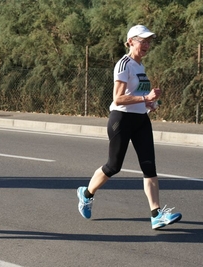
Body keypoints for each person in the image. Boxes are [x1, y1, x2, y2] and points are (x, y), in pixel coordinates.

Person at [76, 25, 182, 230]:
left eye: (149, 41)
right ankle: (86, 193)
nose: (147, 45)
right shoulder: (124, 64)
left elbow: (136, 97)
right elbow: (118, 98)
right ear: (131, 41)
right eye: (143, 41)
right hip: (121, 120)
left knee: (149, 166)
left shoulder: (140, 66)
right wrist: (145, 97)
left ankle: (156, 214)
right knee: (113, 166)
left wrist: (149, 104)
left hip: (141, 119)